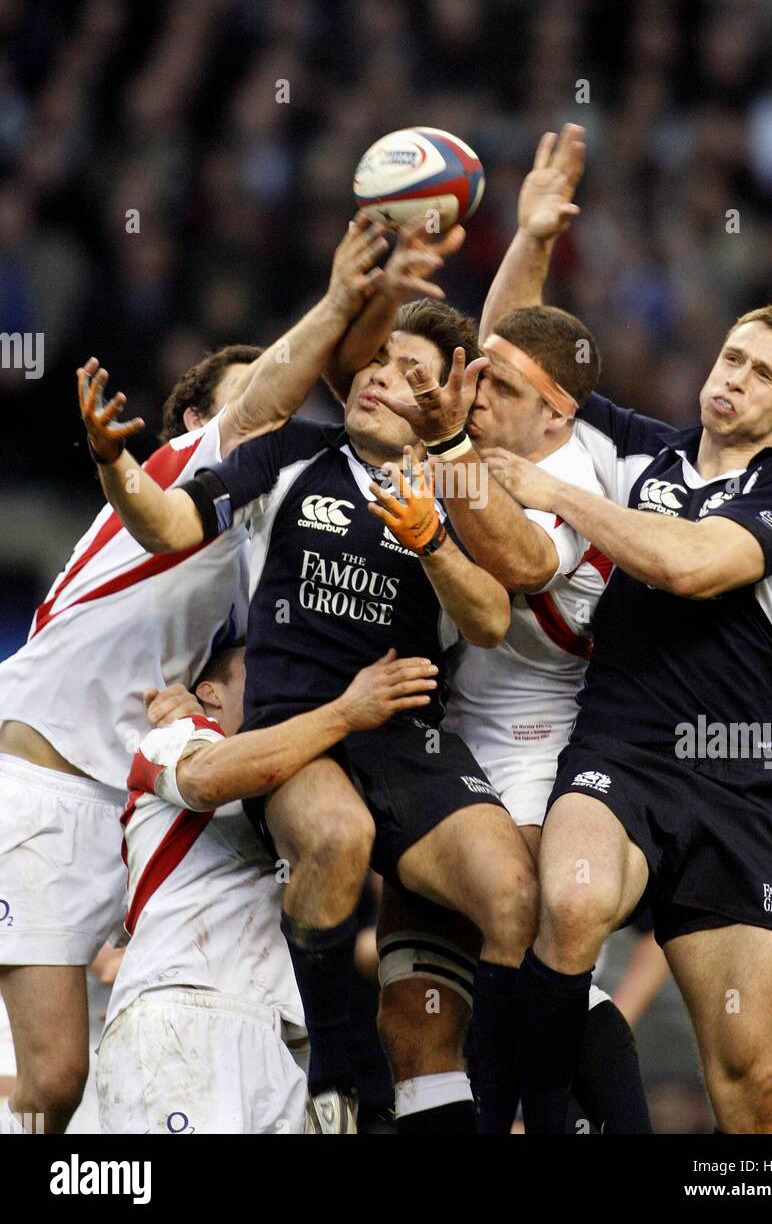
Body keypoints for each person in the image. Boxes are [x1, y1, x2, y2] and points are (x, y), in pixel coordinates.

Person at [0, 213, 443, 1135]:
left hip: (126, 807)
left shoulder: (255, 555)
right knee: (48, 1082)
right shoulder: (180, 469)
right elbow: (252, 416)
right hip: (46, 786)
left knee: (72, 1090)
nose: (280, 415)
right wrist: (341, 300)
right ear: (199, 423)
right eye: (254, 398)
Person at [78, 296, 539, 1135]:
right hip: (299, 727)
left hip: (407, 732)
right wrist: (118, 468)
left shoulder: (454, 493)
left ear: (439, 405)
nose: (379, 379)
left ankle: (502, 1114)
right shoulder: (291, 456)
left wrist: (432, 539)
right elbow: (172, 522)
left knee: (512, 895)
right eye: (378, 361)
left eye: (411, 374)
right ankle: (336, 1075)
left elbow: (491, 621)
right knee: (336, 839)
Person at [476, 157, 772, 1132]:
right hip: (619, 752)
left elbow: (689, 565)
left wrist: (554, 491)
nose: (733, 380)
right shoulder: (636, 443)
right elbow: (510, 361)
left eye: (761, 373)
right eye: (730, 358)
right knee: (573, 902)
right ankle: (543, 1122)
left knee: (752, 1083)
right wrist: (534, 238)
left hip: (733, 789)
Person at [338, 125, 664, 1133]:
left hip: (534, 740)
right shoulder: (491, 422)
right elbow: (497, 344)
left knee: (523, 937)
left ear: (555, 417)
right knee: (413, 1010)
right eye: (476, 377)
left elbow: (521, 562)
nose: (472, 391)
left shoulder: (575, 475)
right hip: (436, 733)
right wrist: (526, 238)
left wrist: (443, 444)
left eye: (500, 390)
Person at [97, 642, 438, 1135]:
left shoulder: (311, 783)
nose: (281, 686)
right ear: (209, 694)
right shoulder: (183, 735)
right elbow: (209, 780)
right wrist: (346, 711)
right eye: (261, 674)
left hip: (281, 1039)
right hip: (183, 1012)